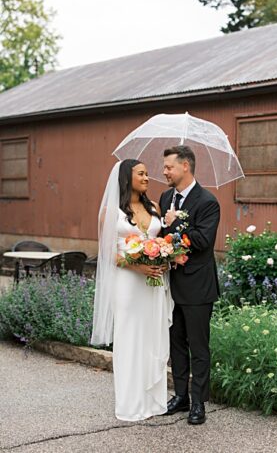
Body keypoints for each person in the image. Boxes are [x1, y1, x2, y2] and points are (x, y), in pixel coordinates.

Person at [92, 159, 174, 421]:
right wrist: (138, 267)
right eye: (141, 174)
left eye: (148, 173)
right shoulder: (110, 212)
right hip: (127, 283)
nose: (147, 178)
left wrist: (163, 254)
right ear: (127, 178)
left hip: (154, 282)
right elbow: (108, 255)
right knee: (130, 339)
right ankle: (130, 404)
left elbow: (161, 240)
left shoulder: (154, 207)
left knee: (152, 335)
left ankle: (153, 401)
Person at [157, 145, 222, 426]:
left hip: (197, 287)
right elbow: (161, 237)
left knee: (198, 347)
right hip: (170, 285)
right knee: (177, 345)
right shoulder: (164, 197)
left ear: (186, 166)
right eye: (164, 167)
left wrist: (176, 225)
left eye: (169, 167)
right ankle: (180, 396)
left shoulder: (208, 202)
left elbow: (202, 241)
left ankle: (198, 403)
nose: (164, 172)